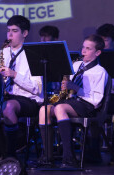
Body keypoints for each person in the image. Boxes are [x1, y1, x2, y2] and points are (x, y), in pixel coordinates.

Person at [37, 34, 108, 168]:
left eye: (88, 49)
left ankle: (69, 157)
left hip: (88, 105)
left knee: (60, 108)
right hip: (72, 102)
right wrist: (65, 86)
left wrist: (76, 88)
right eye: (83, 47)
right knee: (44, 109)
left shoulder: (100, 71)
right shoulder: (76, 65)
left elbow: (96, 100)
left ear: (98, 53)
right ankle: (47, 157)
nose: (83, 51)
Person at [0, 15, 44, 159]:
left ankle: (11, 155)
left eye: (14, 31)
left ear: (25, 33)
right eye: (8, 31)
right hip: (6, 96)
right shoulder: (1, 53)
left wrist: (14, 75)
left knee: (9, 107)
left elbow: (37, 88)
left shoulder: (33, 55)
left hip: (28, 100)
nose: (10, 35)